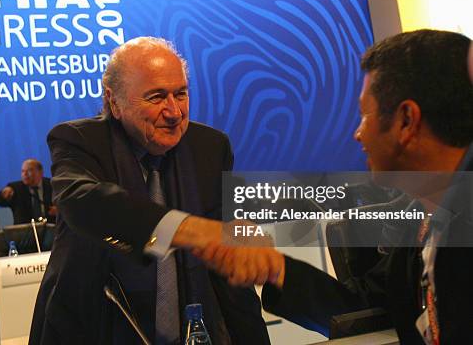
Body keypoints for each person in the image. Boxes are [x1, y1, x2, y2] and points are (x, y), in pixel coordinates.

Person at [183, 29, 473, 344]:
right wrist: (276, 269)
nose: (358, 134)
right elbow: (366, 312)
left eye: (365, 116)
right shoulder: (422, 220)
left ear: (406, 120)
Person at [29, 37, 270, 345]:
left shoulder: (210, 148)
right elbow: (82, 201)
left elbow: (226, 270)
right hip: (93, 329)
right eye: (156, 97)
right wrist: (184, 230)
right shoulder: (79, 141)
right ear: (114, 102)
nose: (174, 112)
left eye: (180, 94)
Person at [0, 159, 56, 224]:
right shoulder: (16, 188)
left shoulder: (52, 185)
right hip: (24, 231)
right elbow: (0, 202)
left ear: (40, 172)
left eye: (29, 170)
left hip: (51, 228)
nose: (25, 174)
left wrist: (59, 210)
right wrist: (4, 194)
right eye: (23, 171)